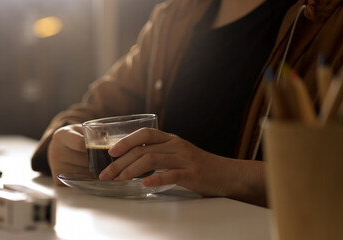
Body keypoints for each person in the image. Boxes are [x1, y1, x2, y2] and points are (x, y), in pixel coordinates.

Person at [31, 0, 343, 207]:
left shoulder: (330, 20)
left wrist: (222, 173)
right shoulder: (176, 17)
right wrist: (60, 141)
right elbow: (88, 114)